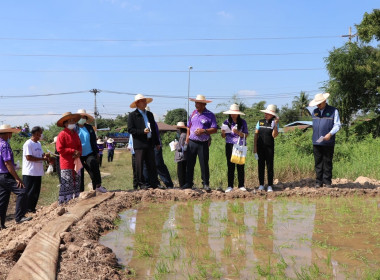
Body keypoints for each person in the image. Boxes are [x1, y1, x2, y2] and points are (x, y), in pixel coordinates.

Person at [182, 94, 218, 192]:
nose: (196, 105)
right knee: (190, 163)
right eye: (195, 103)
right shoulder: (193, 113)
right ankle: (189, 182)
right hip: (192, 142)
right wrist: (187, 141)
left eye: (197, 103)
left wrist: (204, 131)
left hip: (203, 143)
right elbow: (189, 127)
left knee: (204, 164)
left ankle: (205, 183)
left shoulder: (210, 115)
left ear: (203, 104)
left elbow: (215, 129)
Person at [0, 124, 32, 229]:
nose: (11, 135)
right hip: (5, 174)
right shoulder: (4, 145)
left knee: (3, 199)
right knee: (22, 191)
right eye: (11, 133)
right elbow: (7, 163)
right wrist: (17, 178)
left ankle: (1, 224)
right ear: (7, 134)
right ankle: (19, 217)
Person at [127, 93, 161, 189]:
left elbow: (154, 129)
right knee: (139, 165)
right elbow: (130, 129)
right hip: (139, 143)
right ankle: (141, 184)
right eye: (143, 101)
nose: (145, 103)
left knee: (152, 164)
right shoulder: (132, 115)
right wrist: (142, 131)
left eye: (145, 101)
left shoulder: (149, 114)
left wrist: (157, 142)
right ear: (137, 103)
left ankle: (154, 183)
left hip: (150, 142)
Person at [309, 93, 341, 188]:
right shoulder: (314, 112)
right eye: (317, 103)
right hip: (316, 141)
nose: (318, 105)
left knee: (327, 161)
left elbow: (337, 125)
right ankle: (319, 182)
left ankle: (327, 182)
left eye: (319, 103)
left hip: (328, 141)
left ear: (324, 101)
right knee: (318, 162)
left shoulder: (333, 111)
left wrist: (330, 134)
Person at [76, 109, 107, 193]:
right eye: (80, 117)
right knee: (79, 172)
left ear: (86, 118)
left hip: (89, 152)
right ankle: (80, 191)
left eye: (84, 117)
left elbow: (93, 140)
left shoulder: (89, 127)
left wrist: (97, 152)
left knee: (93, 165)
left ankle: (97, 186)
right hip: (78, 154)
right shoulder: (74, 128)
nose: (82, 118)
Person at [142, 106, 174, 189]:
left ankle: (168, 183)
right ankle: (151, 183)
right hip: (145, 146)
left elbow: (156, 134)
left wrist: (158, 144)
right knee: (147, 165)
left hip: (155, 145)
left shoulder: (153, 122)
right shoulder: (140, 123)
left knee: (159, 164)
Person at [221, 104, 249, 193]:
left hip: (240, 145)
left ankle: (241, 185)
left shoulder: (243, 122)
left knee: (240, 165)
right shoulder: (226, 122)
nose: (232, 115)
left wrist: (238, 132)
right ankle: (230, 186)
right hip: (229, 145)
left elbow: (246, 135)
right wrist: (223, 132)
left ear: (238, 114)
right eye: (231, 113)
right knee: (230, 165)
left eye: (234, 113)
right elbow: (223, 136)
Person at [22, 126, 50, 213]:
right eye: (40, 133)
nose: (41, 135)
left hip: (38, 171)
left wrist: (45, 155)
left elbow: (41, 154)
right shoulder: (28, 144)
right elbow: (29, 157)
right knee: (29, 191)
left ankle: (32, 208)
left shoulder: (38, 144)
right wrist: (43, 159)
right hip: (29, 172)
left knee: (35, 192)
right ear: (35, 133)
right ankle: (26, 209)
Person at [56, 112, 82, 203]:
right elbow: (59, 149)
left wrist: (78, 152)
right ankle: (64, 201)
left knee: (76, 180)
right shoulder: (62, 134)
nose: (73, 123)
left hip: (75, 160)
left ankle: (75, 200)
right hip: (66, 161)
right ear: (65, 123)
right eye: (70, 121)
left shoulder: (75, 134)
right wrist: (72, 151)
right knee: (67, 181)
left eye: (73, 121)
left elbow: (79, 145)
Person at [254, 104, 279, 192]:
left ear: (272, 115)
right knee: (260, 166)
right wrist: (255, 149)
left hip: (269, 148)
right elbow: (256, 135)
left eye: (268, 113)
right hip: (260, 148)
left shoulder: (274, 123)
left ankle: (270, 185)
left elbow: (274, 135)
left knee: (269, 166)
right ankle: (261, 185)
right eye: (265, 113)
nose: (266, 114)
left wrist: (276, 125)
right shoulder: (260, 122)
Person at [174, 122, 188, 188]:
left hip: (181, 156)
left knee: (180, 172)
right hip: (184, 156)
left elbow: (180, 147)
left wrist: (175, 146)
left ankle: (182, 185)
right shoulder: (186, 135)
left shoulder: (182, 135)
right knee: (184, 171)